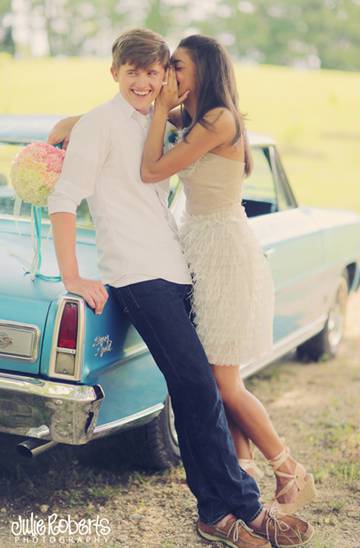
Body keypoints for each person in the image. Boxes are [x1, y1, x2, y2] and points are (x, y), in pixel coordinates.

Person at [47, 28, 312, 547]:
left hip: (176, 265)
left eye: (157, 70)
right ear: (115, 72)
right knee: (196, 387)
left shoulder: (159, 119)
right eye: (136, 71)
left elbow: (149, 138)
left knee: (199, 390)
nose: (147, 81)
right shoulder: (102, 123)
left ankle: (229, 510)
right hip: (136, 274)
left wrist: (87, 119)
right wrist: (72, 275)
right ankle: (235, 508)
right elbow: (63, 199)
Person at [140, 34, 317, 515]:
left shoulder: (219, 120)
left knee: (223, 383)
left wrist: (160, 110)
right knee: (213, 376)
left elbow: (154, 170)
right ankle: (245, 476)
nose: (168, 73)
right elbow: (135, 119)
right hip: (196, 250)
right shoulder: (193, 119)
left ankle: (287, 467)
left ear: (204, 71)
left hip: (223, 254)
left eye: (177, 65)